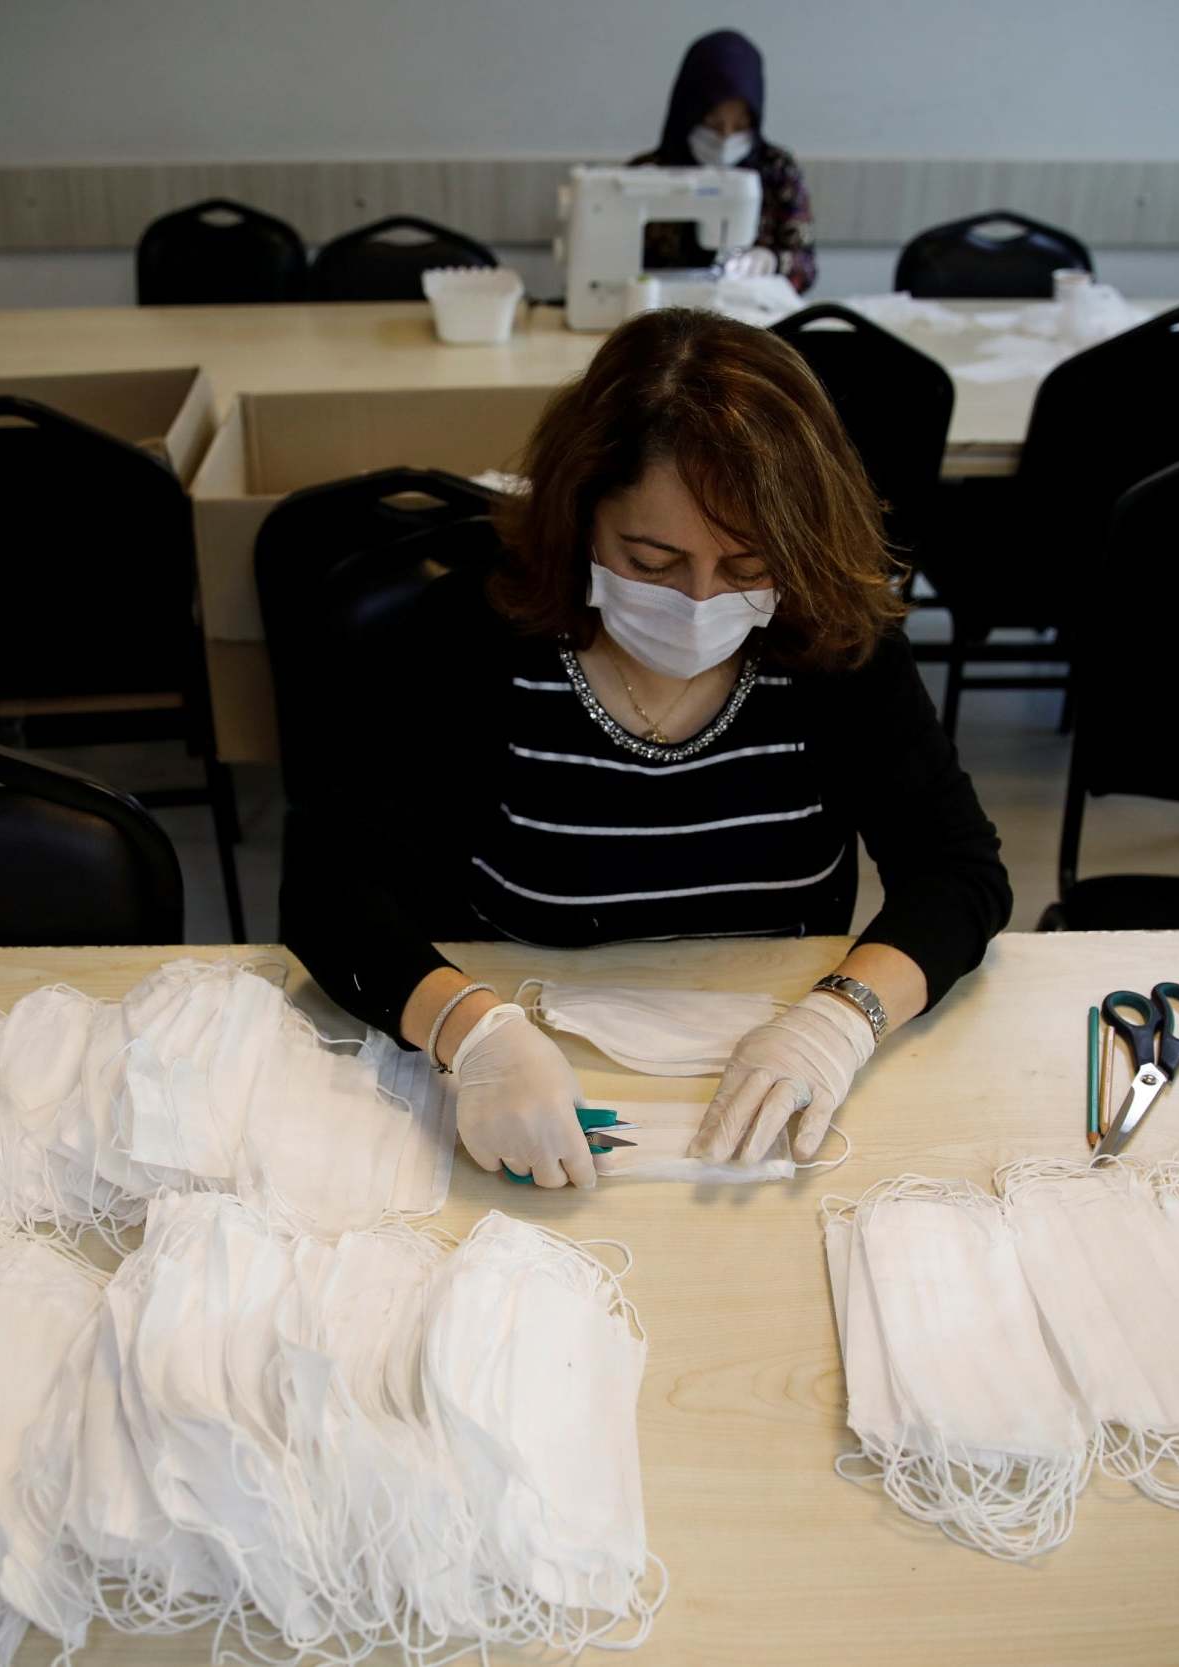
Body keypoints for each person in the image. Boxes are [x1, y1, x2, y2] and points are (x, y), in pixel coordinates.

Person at [281, 308, 1010, 1190]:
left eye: (747, 567)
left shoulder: (834, 644)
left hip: (766, 1077)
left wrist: (842, 1019)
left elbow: (959, 869)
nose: (701, 602)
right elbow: (327, 886)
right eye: (653, 561)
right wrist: (467, 1029)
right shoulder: (474, 635)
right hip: (528, 1076)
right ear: (582, 515)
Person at [630, 28, 816, 294]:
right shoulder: (644, 175)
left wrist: (772, 261)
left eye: (740, 125)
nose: (726, 137)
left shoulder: (778, 171)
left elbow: (806, 266)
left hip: (751, 319)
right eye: (714, 123)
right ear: (688, 112)